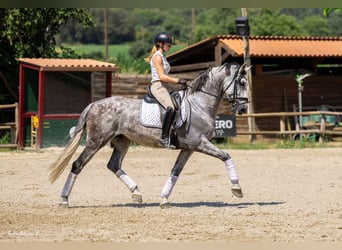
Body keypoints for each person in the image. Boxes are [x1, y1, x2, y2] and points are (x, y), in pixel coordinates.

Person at [145, 32, 187, 149]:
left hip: (165, 87)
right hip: (158, 86)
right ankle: (164, 138)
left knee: (179, 103)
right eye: (168, 45)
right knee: (170, 107)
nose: (170, 47)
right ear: (160, 44)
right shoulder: (157, 57)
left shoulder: (162, 56)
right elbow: (162, 77)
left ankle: (174, 134)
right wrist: (177, 80)